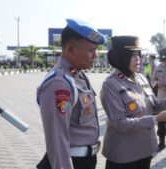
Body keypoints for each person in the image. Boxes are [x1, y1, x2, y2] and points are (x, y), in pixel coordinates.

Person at [100, 36, 166, 169]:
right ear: (122, 56)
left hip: (144, 151)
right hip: (124, 156)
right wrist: (156, 118)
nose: (138, 58)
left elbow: (154, 106)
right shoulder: (111, 84)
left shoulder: (140, 78)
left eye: (138, 54)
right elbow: (119, 124)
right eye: (132, 55)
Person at [36, 18, 105, 169]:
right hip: (71, 162)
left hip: (85, 160)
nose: (96, 55)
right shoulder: (59, 83)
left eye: (96, 50)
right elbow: (57, 141)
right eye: (91, 50)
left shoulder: (77, 75)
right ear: (71, 49)